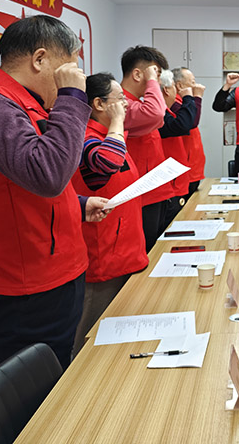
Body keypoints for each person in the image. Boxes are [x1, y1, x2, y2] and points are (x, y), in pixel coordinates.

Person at [0, 15, 109, 368]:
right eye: (71, 67)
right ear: (40, 59)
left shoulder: (24, 103)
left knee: (59, 375)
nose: (76, 77)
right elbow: (47, 175)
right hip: (25, 289)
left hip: (55, 273)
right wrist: (72, 96)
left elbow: (26, 183)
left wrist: (77, 204)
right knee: (36, 393)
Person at [71, 73, 148, 355]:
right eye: (120, 99)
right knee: (92, 336)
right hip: (103, 255)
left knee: (120, 333)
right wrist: (117, 123)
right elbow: (106, 164)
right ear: (99, 104)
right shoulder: (86, 138)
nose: (126, 104)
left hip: (127, 249)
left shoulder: (112, 137)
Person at [120, 46, 175, 251]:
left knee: (157, 250)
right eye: (155, 74)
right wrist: (152, 80)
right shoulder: (121, 104)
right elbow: (156, 114)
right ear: (137, 74)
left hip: (154, 190)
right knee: (149, 252)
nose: (158, 82)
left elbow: (159, 117)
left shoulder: (139, 103)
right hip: (141, 195)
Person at [158, 69, 200, 226]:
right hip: (170, 181)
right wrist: (192, 97)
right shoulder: (166, 108)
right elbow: (187, 124)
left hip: (179, 176)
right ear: (167, 90)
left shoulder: (166, 109)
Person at [173, 67, 206, 201]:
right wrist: (197, 97)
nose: (196, 85)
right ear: (180, 86)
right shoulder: (174, 103)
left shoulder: (185, 102)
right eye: (192, 82)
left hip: (193, 167)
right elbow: (193, 123)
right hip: (185, 169)